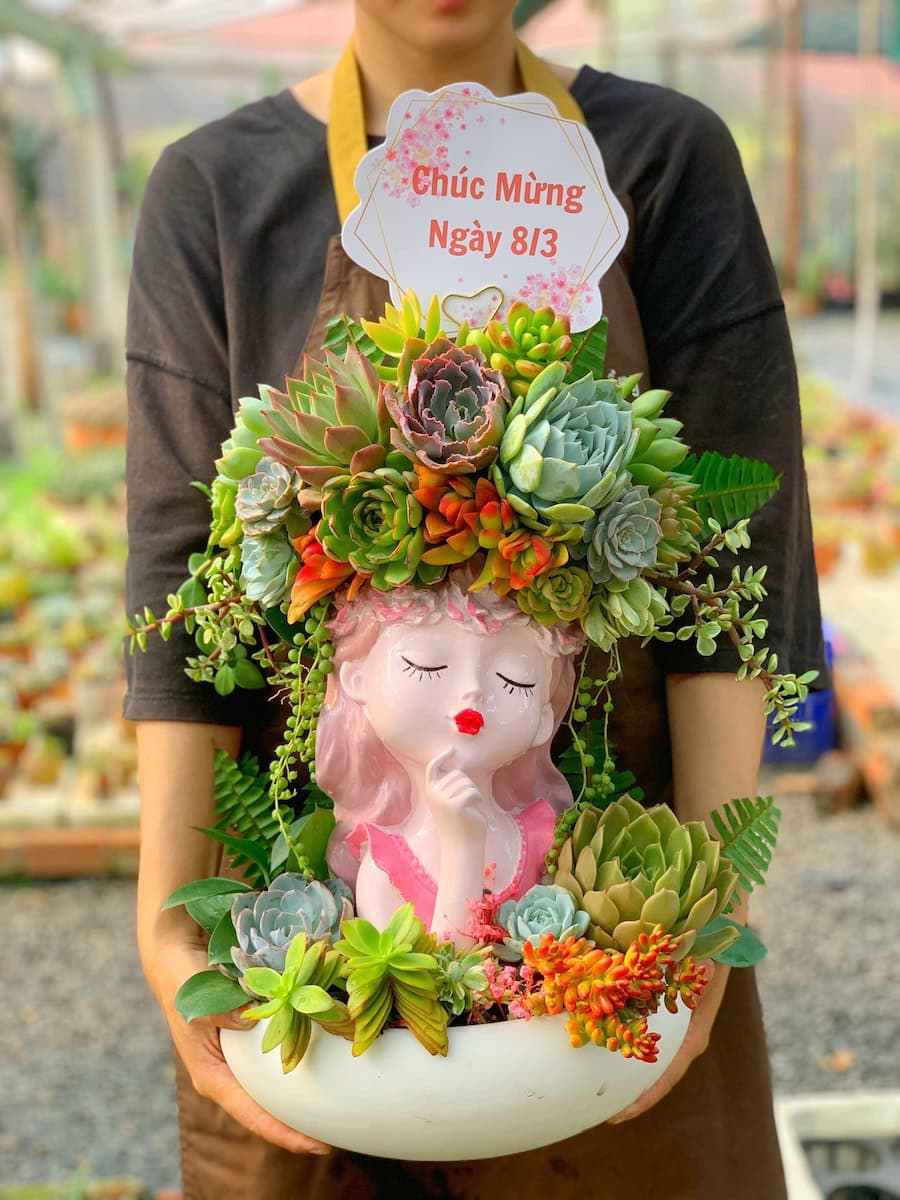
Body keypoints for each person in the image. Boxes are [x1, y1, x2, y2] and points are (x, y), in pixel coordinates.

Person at [125, 2, 825, 1197]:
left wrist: (704, 905)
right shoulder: (218, 190)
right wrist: (165, 917)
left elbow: (740, 551)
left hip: (604, 937)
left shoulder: (664, 159)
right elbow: (177, 561)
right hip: (315, 952)